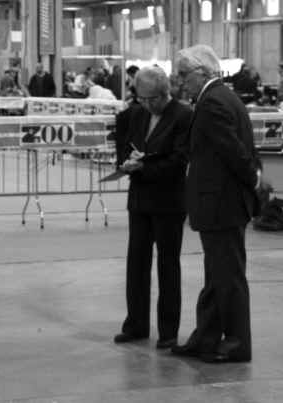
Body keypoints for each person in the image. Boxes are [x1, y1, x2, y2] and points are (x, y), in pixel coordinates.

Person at [171, 45, 261, 363]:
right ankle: (206, 336)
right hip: (222, 202)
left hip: (222, 204)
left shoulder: (212, 103)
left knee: (228, 277)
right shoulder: (222, 97)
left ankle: (237, 343)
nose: (181, 83)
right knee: (217, 274)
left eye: (184, 75)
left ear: (201, 72)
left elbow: (234, 152)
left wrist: (254, 181)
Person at [113, 66, 192, 349]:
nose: (146, 105)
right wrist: (126, 161)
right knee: (136, 263)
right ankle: (136, 324)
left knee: (167, 265)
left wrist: (143, 167)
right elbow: (124, 146)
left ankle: (168, 330)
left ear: (163, 93)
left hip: (169, 201)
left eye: (151, 100)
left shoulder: (183, 116)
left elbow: (179, 160)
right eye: (141, 99)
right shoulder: (136, 113)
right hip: (140, 200)